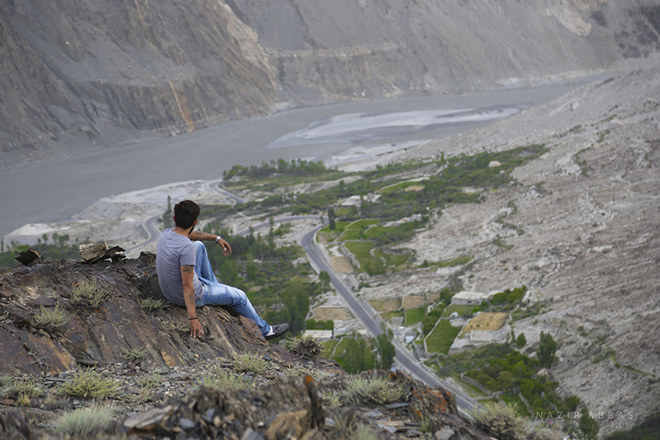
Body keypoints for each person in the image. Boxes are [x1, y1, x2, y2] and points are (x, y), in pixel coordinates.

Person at [156, 199, 290, 340]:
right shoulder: (186, 248)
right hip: (190, 296)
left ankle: (217, 290)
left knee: (199, 245)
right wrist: (193, 318)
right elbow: (187, 285)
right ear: (194, 222)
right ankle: (265, 331)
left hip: (169, 291)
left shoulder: (166, 234)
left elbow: (190, 235)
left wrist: (216, 238)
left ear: (175, 218)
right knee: (240, 296)